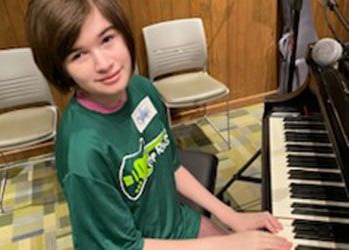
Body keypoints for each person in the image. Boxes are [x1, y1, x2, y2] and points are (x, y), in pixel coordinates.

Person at [25, 0, 292, 249]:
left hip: (175, 224)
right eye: (79, 55)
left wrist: (232, 217)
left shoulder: (141, 89)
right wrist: (230, 243)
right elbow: (126, 246)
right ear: (61, 69)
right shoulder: (82, 155)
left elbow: (169, 163)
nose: (104, 64)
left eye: (107, 39)